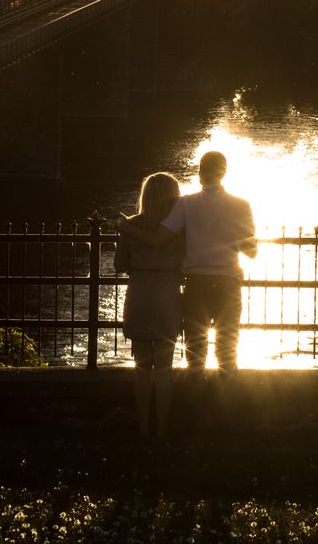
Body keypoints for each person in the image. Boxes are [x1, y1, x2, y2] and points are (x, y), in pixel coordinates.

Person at [165, 150, 258, 373]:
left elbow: (165, 235)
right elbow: (252, 251)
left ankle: (195, 403)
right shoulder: (241, 205)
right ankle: (227, 404)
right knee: (227, 352)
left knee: (195, 354)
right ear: (224, 172)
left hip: (196, 283)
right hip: (228, 283)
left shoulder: (186, 204)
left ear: (200, 172)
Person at [114, 172, 185, 439]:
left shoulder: (131, 225)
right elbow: (184, 265)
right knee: (164, 368)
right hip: (167, 295)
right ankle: (162, 428)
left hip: (140, 294)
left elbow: (120, 265)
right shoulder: (179, 230)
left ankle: (144, 427)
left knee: (142, 367)